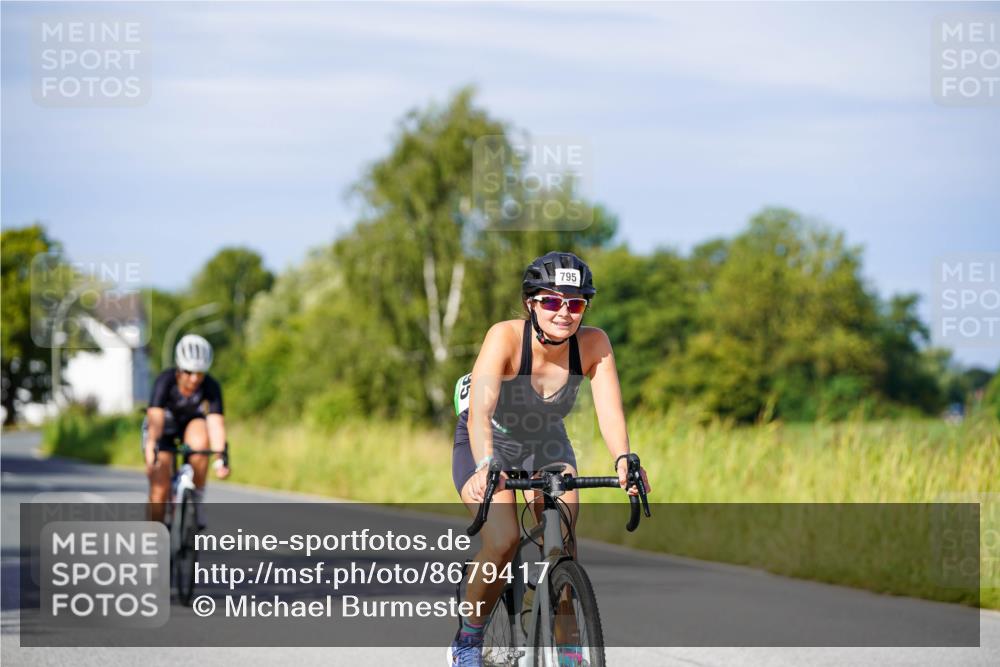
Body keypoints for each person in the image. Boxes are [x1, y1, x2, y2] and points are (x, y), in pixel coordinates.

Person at [447, 252, 651, 667]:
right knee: (502, 541)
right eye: (552, 301)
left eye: (575, 303)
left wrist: (624, 460)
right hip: (489, 440)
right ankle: (467, 640)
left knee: (563, 539)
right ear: (531, 303)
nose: (564, 312)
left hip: (546, 441)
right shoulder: (504, 338)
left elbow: (610, 411)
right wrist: (487, 467)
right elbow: (481, 414)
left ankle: (567, 644)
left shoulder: (595, 344)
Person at [142, 334, 230, 528]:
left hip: (190, 426)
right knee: (159, 489)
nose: (194, 379)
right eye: (189, 372)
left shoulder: (211, 386)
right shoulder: (165, 381)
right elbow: (155, 421)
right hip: (163, 429)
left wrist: (220, 457)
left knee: (201, 443)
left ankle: (196, 501)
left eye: (200, 373)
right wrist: (151, 447)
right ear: (179, 370)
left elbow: (216, 424)